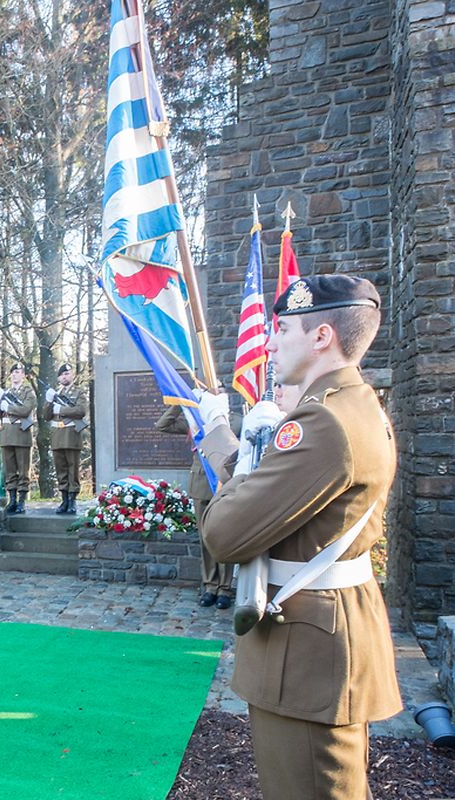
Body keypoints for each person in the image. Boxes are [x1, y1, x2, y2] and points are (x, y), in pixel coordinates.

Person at [196, 275, 399, 800]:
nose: (269, 342)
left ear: (321, 337)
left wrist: (244, 455)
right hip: (320, 636)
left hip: (309, 651)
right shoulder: (350, 404)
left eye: (282, 329)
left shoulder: (323, 422)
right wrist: (219, 431)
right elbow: (278, 498)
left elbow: (225, 533)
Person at [155, 404, 232, 610]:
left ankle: (225, 588)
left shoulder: (237, 421)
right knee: (205, 538)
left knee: (224, 537)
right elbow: (163, 425)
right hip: (200, 485)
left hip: (225, 485)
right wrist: (181, 403)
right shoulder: (195, 422)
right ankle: (210, 586)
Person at [41, 363, 87, 514]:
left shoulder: (78, 392)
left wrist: (62, 409)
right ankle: (64, 499)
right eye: (62, 375)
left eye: (67, 374)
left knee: (72, 468)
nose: (64, 377)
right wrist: (48, 402)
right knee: (60, 468)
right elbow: (46, 416)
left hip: (72, 434)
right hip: (57, 435)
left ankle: (73, 500)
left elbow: (81, 411)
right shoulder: (56, 393)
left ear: (72, 375)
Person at [0, 362, 36, 514]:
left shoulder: (27, 391)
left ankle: (22, 500)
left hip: (21, 433)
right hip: (6, 434)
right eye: (14, 372)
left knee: (23, 469)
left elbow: (26, 409)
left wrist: (8, 407)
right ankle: (12, 500)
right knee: (10, 470)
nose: (15, 374)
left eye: (19, 372)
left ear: (23, 376)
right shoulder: (6, 392)